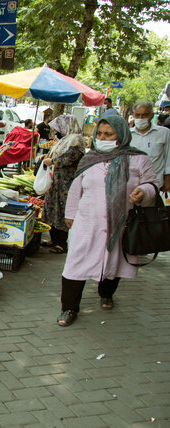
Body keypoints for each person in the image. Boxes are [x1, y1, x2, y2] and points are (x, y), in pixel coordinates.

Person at [57, 114, 158, 327]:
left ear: (120, 135)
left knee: (114, 262)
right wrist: (70, 214)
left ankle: (106, 293)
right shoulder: (89, 158)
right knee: (75, 264)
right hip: (86, 224)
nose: (103, 137)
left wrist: (143, 191)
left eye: (109, 134)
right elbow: (76, 189)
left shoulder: (138, 159)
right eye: (100, 133)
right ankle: (69, 308)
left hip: (121, 224)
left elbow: (152, 185)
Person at [38, 115, 86, 254]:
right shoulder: (64, 140)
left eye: (58, 129)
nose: (56, 132)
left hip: (66, 184)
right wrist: (47, 158)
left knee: (62, 210)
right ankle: (53, 239)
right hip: (56, 182)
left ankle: (62, 243)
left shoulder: (76, 142)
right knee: (52, 209)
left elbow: (66, 160)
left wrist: (52, 162)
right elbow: (56, 156)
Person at [129, 100, 170, 192]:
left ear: (151, 116)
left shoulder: (164, 133)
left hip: (154, 185)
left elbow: (168, 158)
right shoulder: (128, 134)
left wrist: (167, 180)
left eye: (144, 115)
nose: (140, 118)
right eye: (137, 115)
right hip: (132, 184)